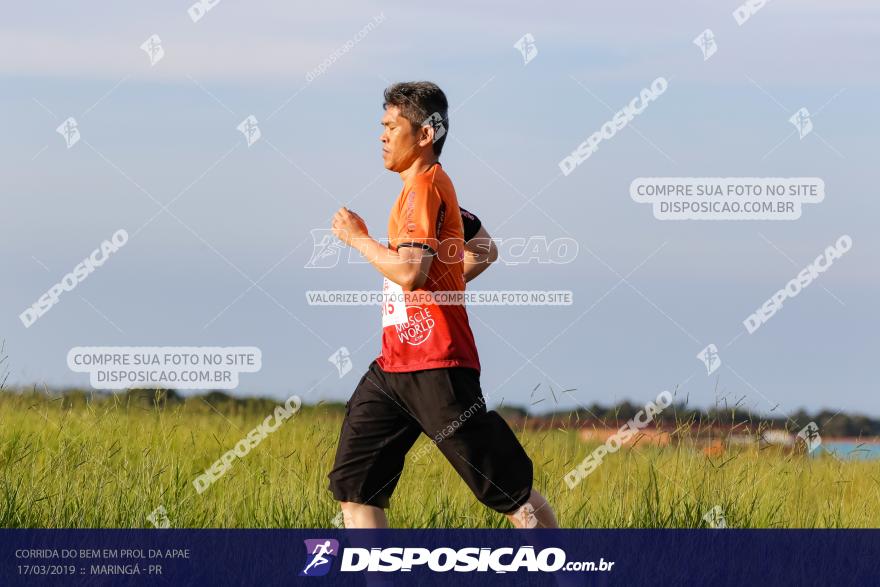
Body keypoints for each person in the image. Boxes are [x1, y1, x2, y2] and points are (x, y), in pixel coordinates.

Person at [327, 81, 557, 529]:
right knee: (356, 488)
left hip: (437, 365)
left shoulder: (423, 192)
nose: (382, 135)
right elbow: (484, 249)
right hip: (394, 366)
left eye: (392, 126)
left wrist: (357, 239)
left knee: (508, 491)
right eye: (383, 126)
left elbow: (410, 273)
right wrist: (444, 286)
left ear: (426, 135)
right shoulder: (429, 191)